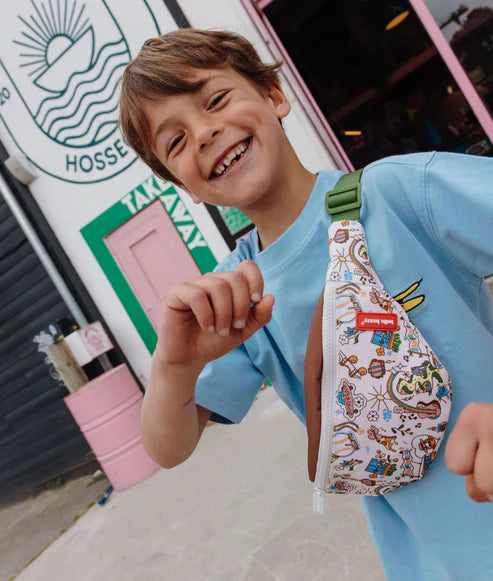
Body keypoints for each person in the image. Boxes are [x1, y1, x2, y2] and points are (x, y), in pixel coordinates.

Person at [119, 29, 493, 580]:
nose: (203, 133)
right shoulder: (235, 298)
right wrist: (174, 365)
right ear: (185, 187)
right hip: (431, 563)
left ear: (273, 94)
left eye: (216, 100)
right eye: (174, 142)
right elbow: (168, 449)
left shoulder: (399, 194)